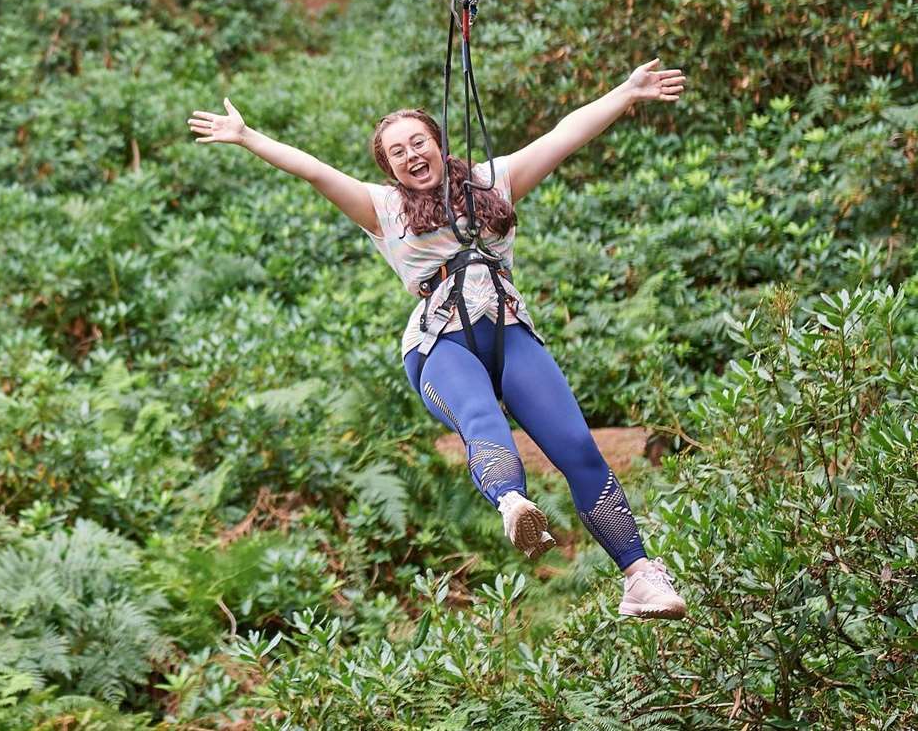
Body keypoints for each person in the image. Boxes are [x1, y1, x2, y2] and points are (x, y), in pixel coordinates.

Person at [187, 59, 690, 619]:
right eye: (397, 152)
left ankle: (641, 576)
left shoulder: (492, 181)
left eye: (417, 141)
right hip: (439, 346)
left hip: (509, 332)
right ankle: (512, 501)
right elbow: (315, 171)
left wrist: (625, 93)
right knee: (482, 420)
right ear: (389, 168)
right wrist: (247, 136)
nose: (411, 155)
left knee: (577, 448)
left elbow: (562, 136)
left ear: (437, 140)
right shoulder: (383, 211)